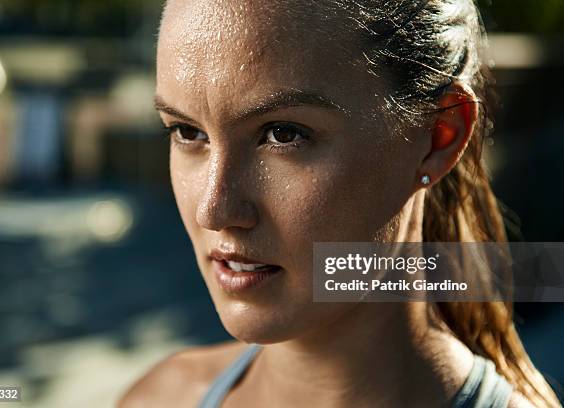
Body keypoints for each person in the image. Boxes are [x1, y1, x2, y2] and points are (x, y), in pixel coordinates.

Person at [119, 1, 561, 407]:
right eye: (187, 132)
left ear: (437, 138)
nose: (214, 210)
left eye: (284, 134)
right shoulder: (159, 398)